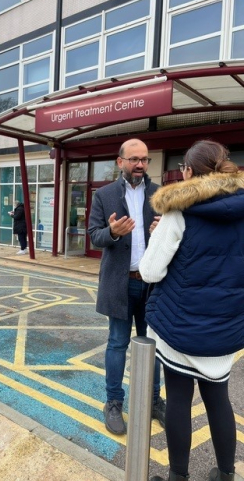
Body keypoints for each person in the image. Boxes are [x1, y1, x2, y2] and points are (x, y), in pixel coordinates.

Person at [139, 140, 244, 481]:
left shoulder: (177, 212)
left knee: (180, 401)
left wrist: (161, 240)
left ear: (187, 171)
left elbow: (150, 272)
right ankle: (226, 474)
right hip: (227, 327)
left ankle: (178, 477)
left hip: (179, 328)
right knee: (219, 400)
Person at [88, 138, 165, 435]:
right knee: (117, 343)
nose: (140, 164)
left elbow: (175, 236)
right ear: (120, 162)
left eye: (144, 159)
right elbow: (95, 235)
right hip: (120, 284)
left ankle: (154, 400)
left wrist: (162, 233)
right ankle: (114, 403)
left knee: (154, 347)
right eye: (134, 159)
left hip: (153, 285)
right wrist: (113, 232)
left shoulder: (160, 193)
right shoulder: (104, 195)